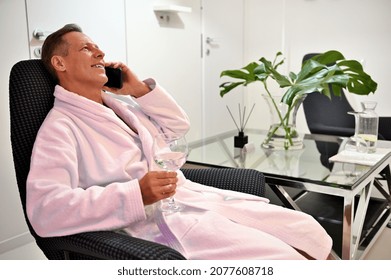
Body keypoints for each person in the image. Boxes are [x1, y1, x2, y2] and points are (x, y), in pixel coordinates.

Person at [26, 23, 332, 260]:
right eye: (86, 48)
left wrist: (138, 90)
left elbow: (176, 126)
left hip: (189, 199)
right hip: (153, 221)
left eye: (98, 48)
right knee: (281, 257)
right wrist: (134, 194)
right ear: (60, 63)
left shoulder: (121, 106)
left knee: (305, 229)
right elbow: (45, 210)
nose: (100, 53)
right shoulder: (61, 127)